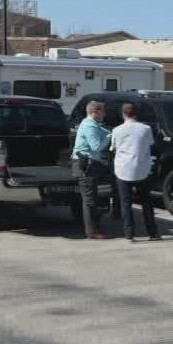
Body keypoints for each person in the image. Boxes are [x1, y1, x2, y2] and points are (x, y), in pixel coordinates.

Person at [108, 102, 161, 242]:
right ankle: (153, 232)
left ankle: (129, 233)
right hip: (142, 169)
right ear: (137, 114)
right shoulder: (146, 128)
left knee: (126, 203)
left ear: (123, 114)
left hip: (123, 170)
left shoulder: (117, 130)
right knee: (146, 202)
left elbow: (113, 148)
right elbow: (150, 144)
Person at [72, 99, 114, 240]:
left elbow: (104, 131)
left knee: (93, 198)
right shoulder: (90, 126)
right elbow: (96, 147)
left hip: (90, 164)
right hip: (87, 165)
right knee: (89, 200)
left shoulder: (92, 124)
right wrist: (108, 138)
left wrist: (112, 132)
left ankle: (93, 228)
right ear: (95, 111)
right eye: (103, 111)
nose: (104, 114)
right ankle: (91, 232)